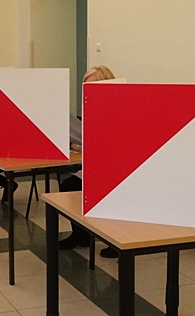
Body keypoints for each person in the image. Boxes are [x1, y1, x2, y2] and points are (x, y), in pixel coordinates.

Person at [58, 65, 119, 259]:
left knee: (80, 187)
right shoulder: (92, 110)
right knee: (68, 184)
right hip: (95, 169)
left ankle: (114, 240)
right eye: (86, 87)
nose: (88, 91)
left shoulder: (117, 111)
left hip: (117, 172)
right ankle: (80, 234)